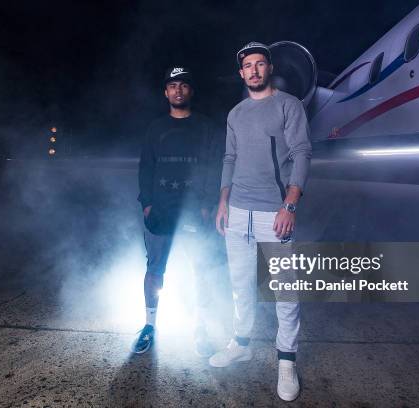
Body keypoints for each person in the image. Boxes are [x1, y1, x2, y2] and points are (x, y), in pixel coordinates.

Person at [209, 42, 312, 402]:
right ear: (241, 73)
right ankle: (241, 344)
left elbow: (301, 152)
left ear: (269, 68)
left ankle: (286, 359)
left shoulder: (288, 105)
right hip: (237, 213)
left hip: (274, 213)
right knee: (240, 285)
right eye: (247, 66)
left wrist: (290, 204)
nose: (253, 70)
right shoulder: (235, 114)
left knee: (285, 289)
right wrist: (223, 202)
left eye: (259, 64)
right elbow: (229, 157)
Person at [134, 67, 220, 357]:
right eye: (172, 85)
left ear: (190, 91)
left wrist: (209, 204)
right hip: (161, 211)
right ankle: (149, 326)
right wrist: (147, 203)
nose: (178, 90)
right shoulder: (155, 127)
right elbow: (145, 167)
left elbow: (215, 167)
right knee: (155, 269)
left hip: (196, 212)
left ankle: (202, 329)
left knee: (201, 271)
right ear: (166, 92)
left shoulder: (206, 126)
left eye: (183, 85)